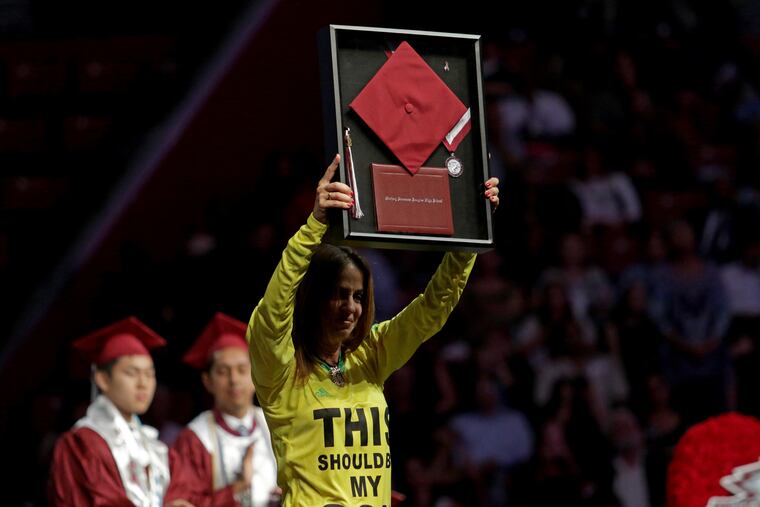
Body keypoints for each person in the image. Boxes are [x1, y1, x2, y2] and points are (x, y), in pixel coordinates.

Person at [246, 154, 500, 505]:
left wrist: (470, 230)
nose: (351, 307)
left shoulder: (370, 355)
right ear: (314, 298)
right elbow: (272, 313)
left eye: (359, 296)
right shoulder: (281, 370)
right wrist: (314, 226)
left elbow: (432, 307)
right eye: (339, 295)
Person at [48, 316, 194, 506]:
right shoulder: (81, 444)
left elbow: (183, 491)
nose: (143, 384)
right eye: (131, 373)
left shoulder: (156, 448)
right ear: (102, 379)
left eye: (150, 374)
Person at [173, 312, 279, 506]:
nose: (234, 380)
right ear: (208, 381)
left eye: (242, 370)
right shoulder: (195, 439)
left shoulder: (275, 423)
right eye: (223, 372)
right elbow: (182, 501)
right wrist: (235, 491)